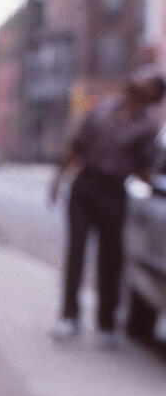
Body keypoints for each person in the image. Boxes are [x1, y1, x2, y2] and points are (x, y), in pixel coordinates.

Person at [48, 68, 166, 347]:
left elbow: (144, 168)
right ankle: (69, 317)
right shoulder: (103, 108)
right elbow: (77, 146)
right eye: (140, 75)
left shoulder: (147, 127)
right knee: (75, 252)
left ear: (153, 94)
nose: (138, 79)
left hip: (114, 192)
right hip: (85, 186)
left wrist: (152, 181)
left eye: (147, 80)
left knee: (109, 259)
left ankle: (106, 324)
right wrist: (58, 178)